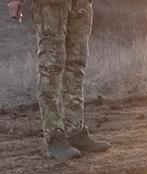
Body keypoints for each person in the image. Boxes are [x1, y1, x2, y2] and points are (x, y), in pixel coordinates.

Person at [8, 0, 107, 160]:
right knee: (51, 68)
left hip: (80, 4)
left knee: (76, 65)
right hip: (49, 5)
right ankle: (55, 137)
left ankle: (75, 131)